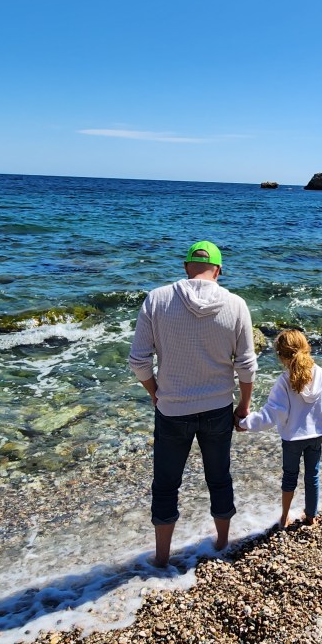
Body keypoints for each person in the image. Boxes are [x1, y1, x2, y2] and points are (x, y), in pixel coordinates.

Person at [129, 240, 257, 566]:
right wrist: (243, 406)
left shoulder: (157, 299)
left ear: (186, 267)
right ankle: (222, 543)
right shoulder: (236, 305)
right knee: (219, 478)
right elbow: (246, 366)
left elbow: (139, 361)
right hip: (217, 408)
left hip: (172, 410)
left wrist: (155, 392)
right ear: (219, 270)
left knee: (166, 485)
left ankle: (161, 559)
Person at [238, 329, 322, 528]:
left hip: (292, 439)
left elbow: (272, 415)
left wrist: (244, 423)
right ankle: (311, 516)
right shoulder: (320, 374)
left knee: (289, 478)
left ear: (281, 356)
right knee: (312, 476)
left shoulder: (284, 381)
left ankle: (284, 517)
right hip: (315, 436)